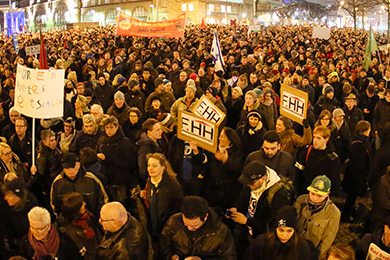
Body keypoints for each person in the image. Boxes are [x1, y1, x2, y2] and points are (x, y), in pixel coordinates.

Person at [229, 161, 292, 257]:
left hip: (262, 241)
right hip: (246, 235)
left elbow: (273, 222)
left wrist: (247, 221)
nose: (249, 186)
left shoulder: (279, 194)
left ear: (262, 179)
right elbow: (243, 196)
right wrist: (235, 207)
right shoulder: (251, 183)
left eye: (251, 184)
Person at [159, 196, 236, 260]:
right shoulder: (174, 221)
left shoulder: (221, 231)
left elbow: (229, 257)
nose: (189, 228)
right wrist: (172, 256)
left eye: (194, 226)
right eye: (185, 224)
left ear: (205, 217)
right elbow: (163, 243)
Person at [50, 152, 109, 216]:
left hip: (91, 221)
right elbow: (54, 204)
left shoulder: (91, 179)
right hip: (67, 221)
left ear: (78, 164)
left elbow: (103, 200)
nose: (70, 170)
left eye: (73, 167)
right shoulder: (57, 182)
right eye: (67, 168)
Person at [140, 153, 183, 241]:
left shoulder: (173, 186)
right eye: (148, 165)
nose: (150, 169)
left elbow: (177, 208)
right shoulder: (150, 182)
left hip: (167, 229)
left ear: (163, 167)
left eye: (155, 166)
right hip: (153, 226)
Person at [245, 205, 312, 260]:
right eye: (281, 230)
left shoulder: (302, 247)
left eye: (289, 231)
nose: (284, 235)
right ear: (275, 229)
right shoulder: (261, 242)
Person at [295, 175, 341, 254]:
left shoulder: (333, 213)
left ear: (327, 194)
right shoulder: (300, 200)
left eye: (320, 196)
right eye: (312, 193)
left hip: (310, 252)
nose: (315, 198)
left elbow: (327, 241)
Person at [96, 116, 137, 202]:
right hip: (106, 179)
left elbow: (129, 163)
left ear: (117, 127)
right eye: (106, 127)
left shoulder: (125, 143)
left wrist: (107, 159)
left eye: (111, 127)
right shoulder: (102, 141)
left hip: (120, 181)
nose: (109, 130)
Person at [204, 127, 244, 210]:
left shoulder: (237, 152)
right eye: (219, 136)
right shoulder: (213, 149)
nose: (219, 138)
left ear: (229, 139)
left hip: (227, 193)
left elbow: (238, 170)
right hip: (212, 190)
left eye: (222, 137)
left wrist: (226, 160)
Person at [295, 126, 341, 195]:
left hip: (319, 193)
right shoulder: (307, 150)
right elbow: (298, 171)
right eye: (314, 137)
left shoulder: (333, 159)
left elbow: (334, 181)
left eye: (319, 138)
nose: (315, 140)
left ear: (326, 139)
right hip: (304, 191)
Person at [57, 192, 102, 260]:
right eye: (82, 205)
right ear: (76, 211)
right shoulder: (69, 232)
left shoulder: (89, 216)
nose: (85, 204)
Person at [341, 120, 372, 222]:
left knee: (352, 197)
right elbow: (359, 165)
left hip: (354, 176)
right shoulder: (359, 145)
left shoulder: (358, 141)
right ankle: (346, 215)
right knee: (351, 197)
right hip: (356, 178)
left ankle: (351, 210)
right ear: (365, 131)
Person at [0, 179, 38, 258]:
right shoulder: (5, 208)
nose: (6, 198)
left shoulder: (32, 209)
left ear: (18, 196)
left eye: (9, 195)